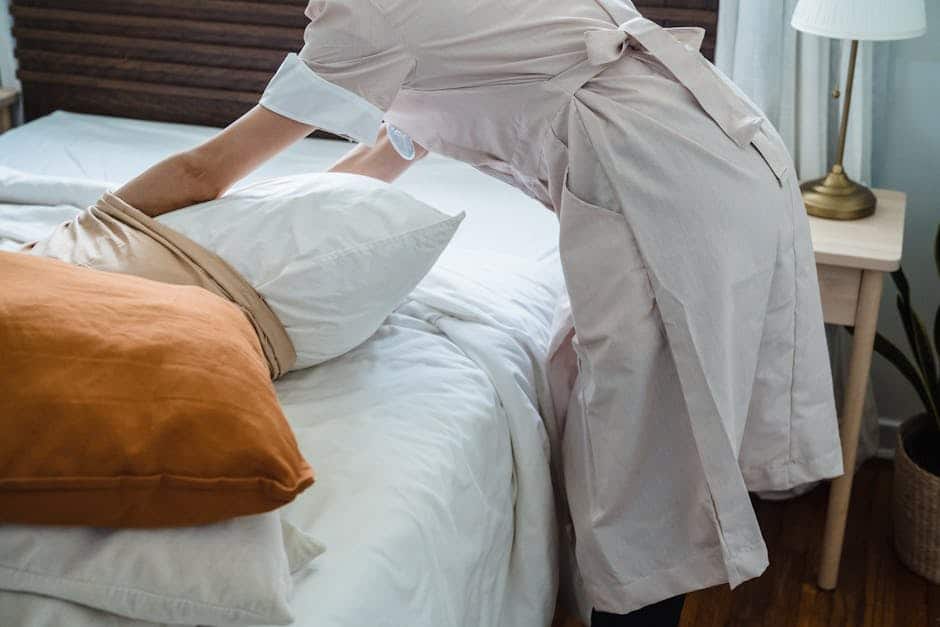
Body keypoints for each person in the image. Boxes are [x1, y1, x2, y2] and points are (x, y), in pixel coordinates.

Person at [116, 1, 843, 625]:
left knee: (643, 475)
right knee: (643, 453)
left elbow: (204, 170)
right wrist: (289, 230)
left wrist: (89, 233)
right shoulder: (424, 24)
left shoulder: (370, 18)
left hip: (668, 185)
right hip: (723, 146)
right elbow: (383, 159)